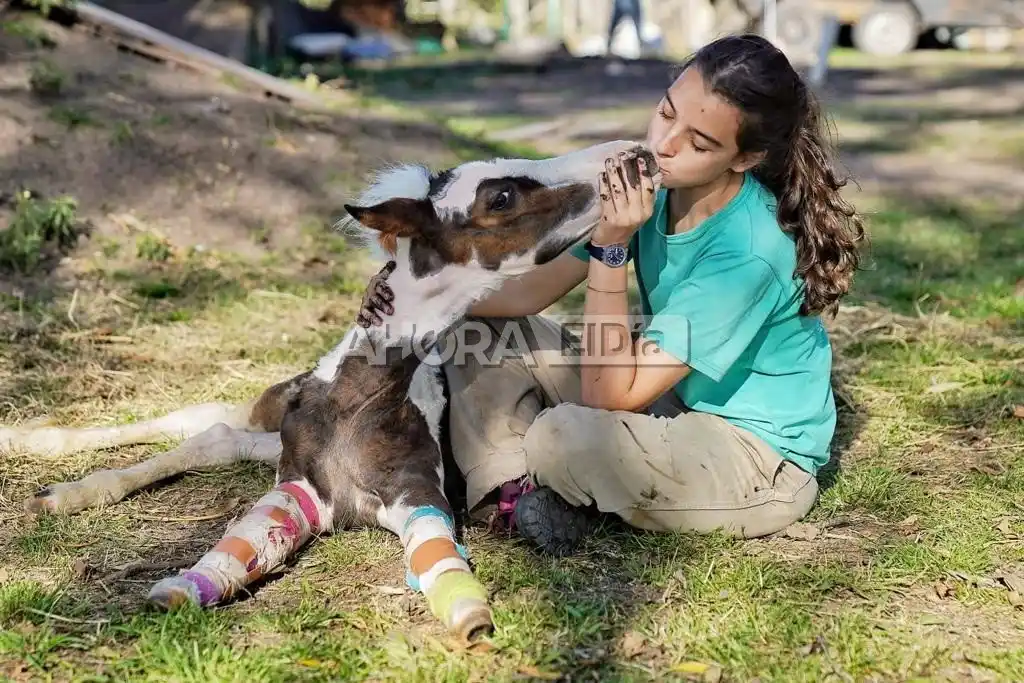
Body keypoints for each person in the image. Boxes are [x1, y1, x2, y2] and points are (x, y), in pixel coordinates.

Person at [357, 34, 866, 557]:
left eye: (699, 143)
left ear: (746, 158)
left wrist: (612, 248)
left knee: (564, 437)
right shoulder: (657, 189)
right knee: (476, 328)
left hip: (755, 457)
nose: (665, 144)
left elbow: (607, 397)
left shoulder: (747, 254)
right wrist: (415, 291)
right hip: (672, 399)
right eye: (666, 114)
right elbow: (529, 292)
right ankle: (512, 496)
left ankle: (555, 484)